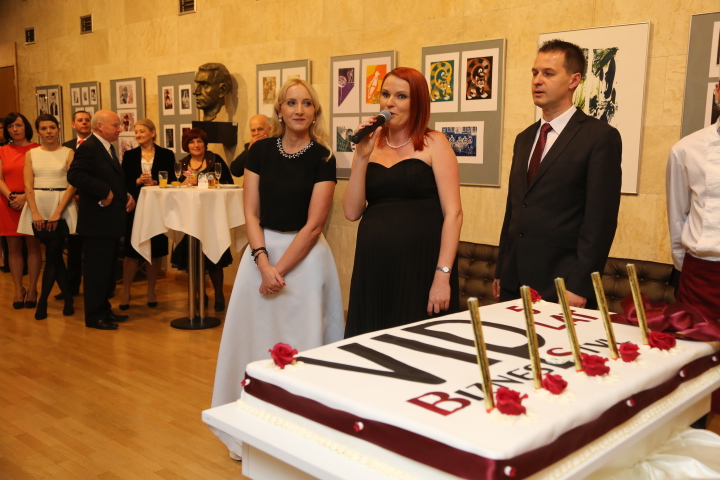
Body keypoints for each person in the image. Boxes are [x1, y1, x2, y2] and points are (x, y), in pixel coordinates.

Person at [210, 78, 344, 459]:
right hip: (260, 255)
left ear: (315, 112)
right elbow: (250, 213)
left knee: (303, 346)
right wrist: (263, 262)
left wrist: (278, 270)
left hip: (306, 260)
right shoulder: (260, 151)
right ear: (280, 111)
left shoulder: (324, 157)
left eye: (307, 103)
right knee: (251, 342)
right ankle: (248, 430)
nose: (299, 109)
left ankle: (303, 435)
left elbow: (314, 225)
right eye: (291, 103)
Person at [492, 39, 622, 308]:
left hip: (562, 283)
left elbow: (600, 221)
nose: (537, 81)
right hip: (512, 281)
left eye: (548, 74)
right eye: (535, 73)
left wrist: (580, 285)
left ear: (574, 80)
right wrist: (501, 269)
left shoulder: (599, 137)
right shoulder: (524, 138)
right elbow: (514, 209)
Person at [343, 67, 463, 338]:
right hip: (374, 265)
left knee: (417, 345)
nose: (390, 103)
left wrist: (442, 274)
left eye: (401, 96)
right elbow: (351, 211)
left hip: (421, 267)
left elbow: (454, 214)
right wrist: (360, 157)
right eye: (385, 94)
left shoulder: (434, 143)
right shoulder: (371, 144)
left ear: (417, 102)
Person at [67, 110, 135, 330]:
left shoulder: (108, 147)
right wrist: (103, 190)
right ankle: (94, 316)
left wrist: (126, 195)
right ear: (100, 127)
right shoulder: (89, 147)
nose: (119, 129)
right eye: (115, 126)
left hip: (110, 221)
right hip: (97, 222)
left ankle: (104, 310)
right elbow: (75, 175)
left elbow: (113, 179)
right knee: (96, 271)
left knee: (107, 271)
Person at [17, 114, 77, 320]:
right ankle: (68, 298)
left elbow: (73, 184)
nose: (49, 132)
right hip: (38, 204)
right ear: (38, 132)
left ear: (58, 129)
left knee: (53, 254)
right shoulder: (31, 154)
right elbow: (27, 184)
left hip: (61, 205)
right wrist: (34, 211)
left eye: (52, 127)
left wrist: (58, 211)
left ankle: (42, 302)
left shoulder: (68, 153)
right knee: (55, 256)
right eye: (44, 128)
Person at [171, 128, 233, 311]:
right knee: (193, 260)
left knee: (214, 259)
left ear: (205, 144)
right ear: (186, 145)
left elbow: (229, 183)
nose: (196, 145)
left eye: (199, 141)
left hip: (212, 218)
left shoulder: (215, 160)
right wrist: (184, 184)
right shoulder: (181, 164)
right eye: (192, 142)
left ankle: (219, 295)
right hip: (189, 220)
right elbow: (174, 190)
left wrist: (217, 184)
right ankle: (200, 293)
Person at [119, 118, 176, 310]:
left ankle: (151, 291)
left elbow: (173, 179)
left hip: (157, 207)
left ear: (153, 133)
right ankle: (126, 292)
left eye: (142, 131)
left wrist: (157, 182)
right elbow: (122, 182)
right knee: (132, 250)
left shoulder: (166, 154)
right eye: (136, 132)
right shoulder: (129, 155)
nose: (138, 135)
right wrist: (137, 181)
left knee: (156, 250)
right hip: (135, 206)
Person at [0, 113, 42, 310]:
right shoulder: (2, 151)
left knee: (33, 247)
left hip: (31, 201)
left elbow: (41, 178)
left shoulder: (38, 150)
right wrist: (11, 197)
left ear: (26, 126)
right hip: (8, 203)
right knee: (13, 247)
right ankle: (18, 290)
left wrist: (26, 197)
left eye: (18, 125)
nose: (15, 129)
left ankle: (33, 289)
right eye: (10, 126)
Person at [59, 110, 92, 299]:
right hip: (71, 201)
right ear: (73, 124)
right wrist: (73, 196)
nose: (84, 123)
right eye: (80, 120)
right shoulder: (66, 147)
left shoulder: (99, 145)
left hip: (93, 201)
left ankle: (95, 289)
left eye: (87, 120)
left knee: (92, 249)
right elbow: (65, 175)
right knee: (73, 247)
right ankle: (71, 288)